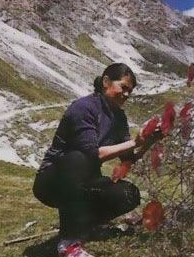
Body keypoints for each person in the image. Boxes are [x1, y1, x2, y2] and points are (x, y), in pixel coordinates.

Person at [33, 63, 158, 257]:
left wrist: (148, 142)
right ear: (106, 82)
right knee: (78, 158)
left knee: (129, 193)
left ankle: (84, 226)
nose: (126, 95)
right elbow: (94, 154)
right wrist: (135, 141)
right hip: (52, 180)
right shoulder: (84, 108)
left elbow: (127, 159)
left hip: (85, 182)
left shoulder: (119, 117)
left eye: (130, 92)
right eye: (123, 87)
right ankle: (68, 243)